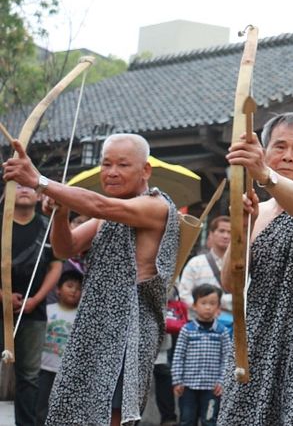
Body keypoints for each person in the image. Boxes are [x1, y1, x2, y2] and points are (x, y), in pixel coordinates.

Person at [4, 132, 179, 426]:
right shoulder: (107, 213)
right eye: (106, 164)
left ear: (145, 170)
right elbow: (65, 248)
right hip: (93, 323)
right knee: (75, 409)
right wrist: (60, 214)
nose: (111, 172)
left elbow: (101, 206)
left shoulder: (156, 206)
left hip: (129, 327)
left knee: (113, 412)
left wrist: (40, 181)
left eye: (122, 165)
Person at [218, 111, 293, 426]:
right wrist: (245, 225)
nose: (287, 156)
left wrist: (265, 177)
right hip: (256, 340)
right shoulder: (257, 209)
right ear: (265, 152)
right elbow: (230, 283)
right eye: (279, 146)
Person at [2, 183, 61, 426]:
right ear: (6, 193)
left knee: (29, 376)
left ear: (39, 195)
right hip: (2, 306)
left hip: (33, 310)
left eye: (29, 186)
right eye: (17, 186)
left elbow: (56, 264)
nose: (24, 190)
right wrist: (3, 295)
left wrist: (36, 299)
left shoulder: (48, 227)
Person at [172, 284, 231, 426]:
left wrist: (222, 381)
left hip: (212, 389)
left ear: (218, 308)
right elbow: (178, 356)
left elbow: (227, 359)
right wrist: (177, 381)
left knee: (209, 420)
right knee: (187, 420)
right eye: (203, 303)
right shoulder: (187, 330)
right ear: (194, 306)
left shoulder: (222, 332)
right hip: (188, 387)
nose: (208, 307)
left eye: (212, 304)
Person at [36, 269, 82, 425]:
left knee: (64, 409)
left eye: (78, 288)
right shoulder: (48, 311)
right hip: (45, 368)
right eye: (70, 286)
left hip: (67, 372)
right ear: (58, 290)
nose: (74, 291)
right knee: (41, 407)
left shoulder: (81, 317)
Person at [177, 215, 233, 321]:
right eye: (221, 231)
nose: (226, 236)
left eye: (230, 232)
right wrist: (204, 310)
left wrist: (210, 304)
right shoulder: (195, 263)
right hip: (198, 326)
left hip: (231, 326)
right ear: (211, 234)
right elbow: (184, 295)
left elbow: (245, 297)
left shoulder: (240, 265)